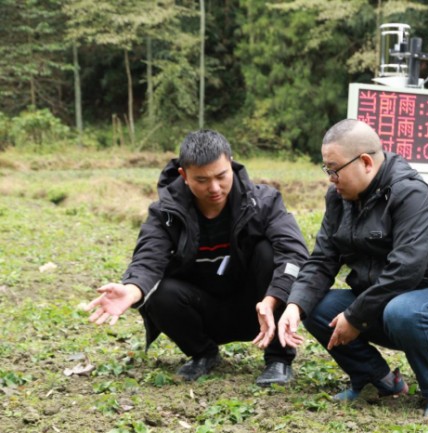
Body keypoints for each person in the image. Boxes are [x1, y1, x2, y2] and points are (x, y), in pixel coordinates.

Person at [278, 119, 428, 417]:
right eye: (326, 170)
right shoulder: (339, 199)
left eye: (334, 169)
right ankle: (378, 380)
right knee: (316, 306)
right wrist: (295, 305)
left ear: (366, 162)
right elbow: (322, 259)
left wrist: (355, 316)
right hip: (385, 307)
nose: (330, 178)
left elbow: (406, 270)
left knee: (404, 310)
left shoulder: (410, 195)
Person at [85, 129, 309, 385]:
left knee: (269, 254)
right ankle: (203, 352)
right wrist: (133, 289)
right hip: (202, 310)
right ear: (184, 175)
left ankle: (279, 358)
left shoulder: (264, 202)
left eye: (221, 176)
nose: (214, 188)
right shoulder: (166, 213)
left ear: (231, 163)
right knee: (158, 292)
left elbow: (295, 252)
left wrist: (272, 299)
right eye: (201, 180)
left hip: (260, 310)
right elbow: (149, 258)